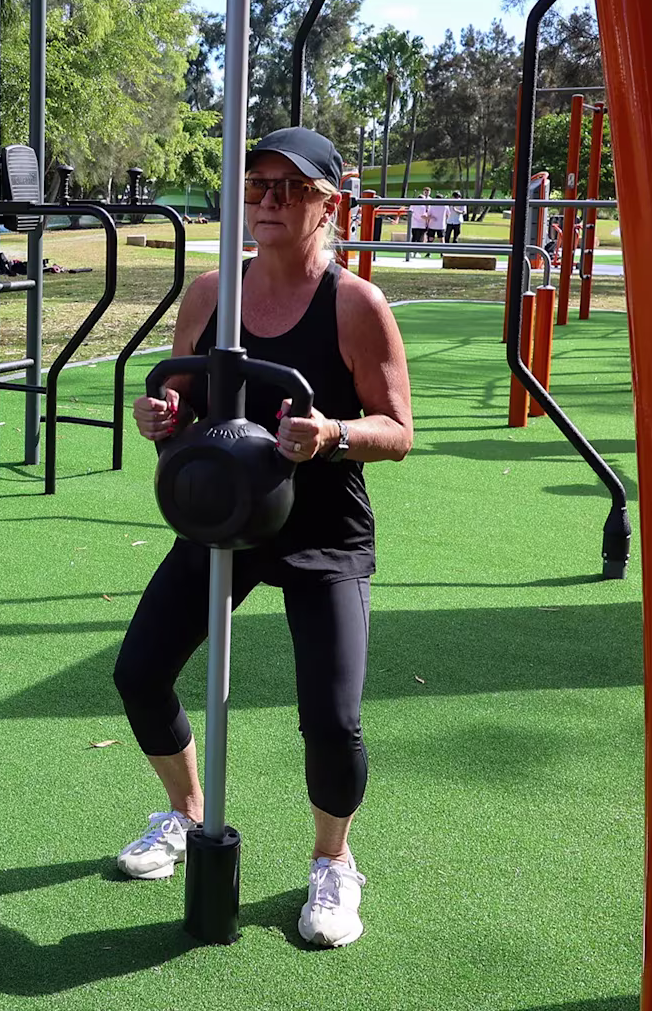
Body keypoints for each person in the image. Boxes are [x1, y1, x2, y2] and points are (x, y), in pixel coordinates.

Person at [116, 126, 414, 948]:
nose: (270, 201)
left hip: (324, 528)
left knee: (332, 718)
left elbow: (398, 429)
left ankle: (333, 863)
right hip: (234, 519)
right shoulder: (212, 293)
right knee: (140, 672)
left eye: (290, 188)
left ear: (330, 203)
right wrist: (163, 418)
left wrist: (333, 435)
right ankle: (183, 813)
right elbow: (182, 406)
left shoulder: (355, 305)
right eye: (257, 187)